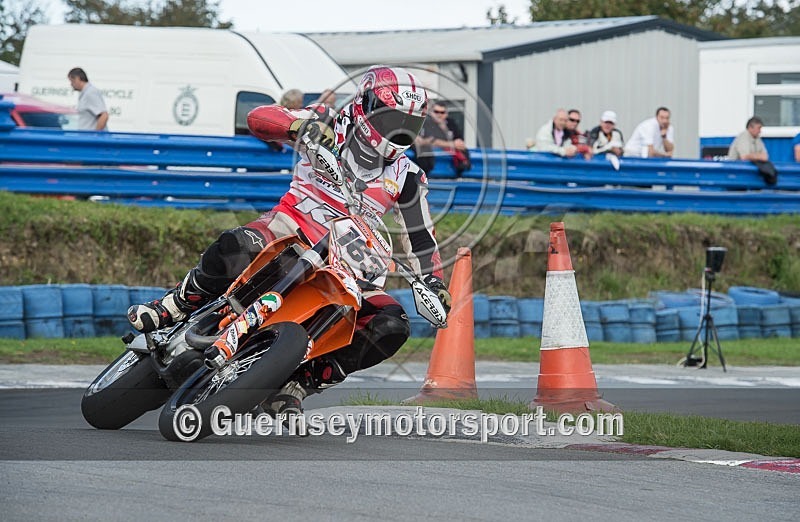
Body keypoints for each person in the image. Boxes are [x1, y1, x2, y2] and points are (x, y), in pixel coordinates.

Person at [127, 65, 451, 416]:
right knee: (239, 244)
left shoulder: (407, 176)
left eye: (409, 125)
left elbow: (421, 237)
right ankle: (175, 304)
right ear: (366, 106)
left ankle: (298, 384)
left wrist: (434, 281)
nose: (399, 133)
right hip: (288, 227)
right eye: (392, 121)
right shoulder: (328, 120)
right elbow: (259, 118)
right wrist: (299, 127)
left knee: (390, 322)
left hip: (349, 261)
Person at [413, 101, 470, 177]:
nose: (439, 115)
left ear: (446, 114)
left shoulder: (450, 123)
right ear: (431, 112)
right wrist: (452, 144)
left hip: (451, 167)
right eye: (436, 112)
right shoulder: (426, 123)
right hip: (430, 165)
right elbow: (429, 141)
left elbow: (459, 140)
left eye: (442, 112)